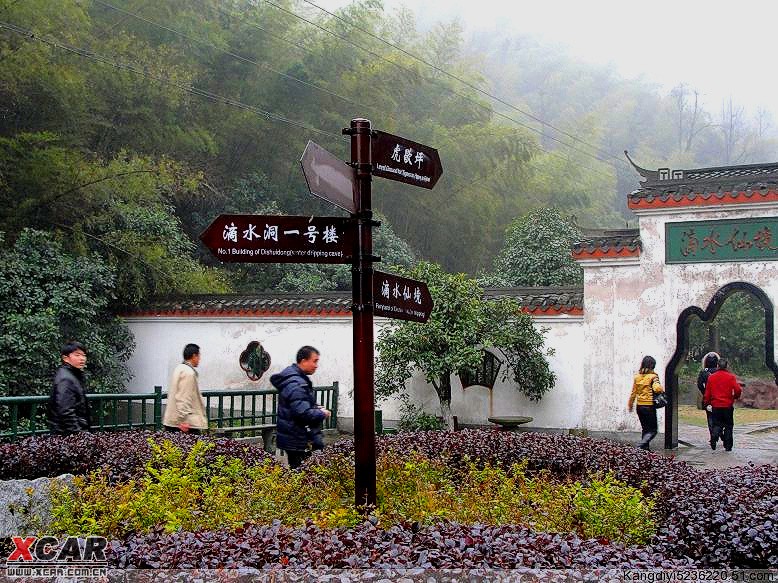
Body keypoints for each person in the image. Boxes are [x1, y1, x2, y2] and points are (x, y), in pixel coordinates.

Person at [270, 346, 331, 469]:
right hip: (298, 438)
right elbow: (303, 413)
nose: (316, 365)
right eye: (314, 361)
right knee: (303, 475)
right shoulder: (296, 384)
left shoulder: (295, 380)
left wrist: (315, 408)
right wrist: (322, 413)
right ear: (303, 361)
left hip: (295, 436)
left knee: (302, 474)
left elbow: (299, 406)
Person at [47, 341, 92, 435]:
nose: (82, 358)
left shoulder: (73, 375)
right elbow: (66, 411)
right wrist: (78, 435)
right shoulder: (66, 379)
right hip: (67, 436)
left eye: (84, 355)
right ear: (65, 358)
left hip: (69, 435)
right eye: (77, 355)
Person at [162, 343, 208, 434]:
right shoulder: (188, 373)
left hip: (173, 421)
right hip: (184, 423)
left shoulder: (179, 368)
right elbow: (183, 397)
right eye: (199, 356)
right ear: (194, 356)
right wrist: (183, 420)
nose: (200, 359)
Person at [703, 358, 742, 451]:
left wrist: (707, 403)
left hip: (716, 405)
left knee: (717, 424)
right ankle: (728, 446)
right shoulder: (731, 377)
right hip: (727, 405)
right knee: (728, 425)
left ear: (717, 366)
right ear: (726, 366)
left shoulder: (711, 377)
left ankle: (714, 435)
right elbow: (738, 390)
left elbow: (707, 393)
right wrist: (735, 397)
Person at [627, 355, 665, 450]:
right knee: (653, 430)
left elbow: (633, 393)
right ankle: (640, 445)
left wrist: (630, 404)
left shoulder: (637, 377)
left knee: (645, 429)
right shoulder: (653, 377)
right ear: (652, 366)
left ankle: (645, 449)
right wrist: (661, 389)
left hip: (639, 406)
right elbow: (657, 388)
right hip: (649, 406)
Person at [696, 351, 719, 441]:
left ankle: (712, 435)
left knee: (710, 417)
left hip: (708, 399)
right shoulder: (720, 372)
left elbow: (699, 384)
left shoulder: (703, 372)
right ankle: (718, 432)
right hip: (718, 399)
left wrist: (704, 392)